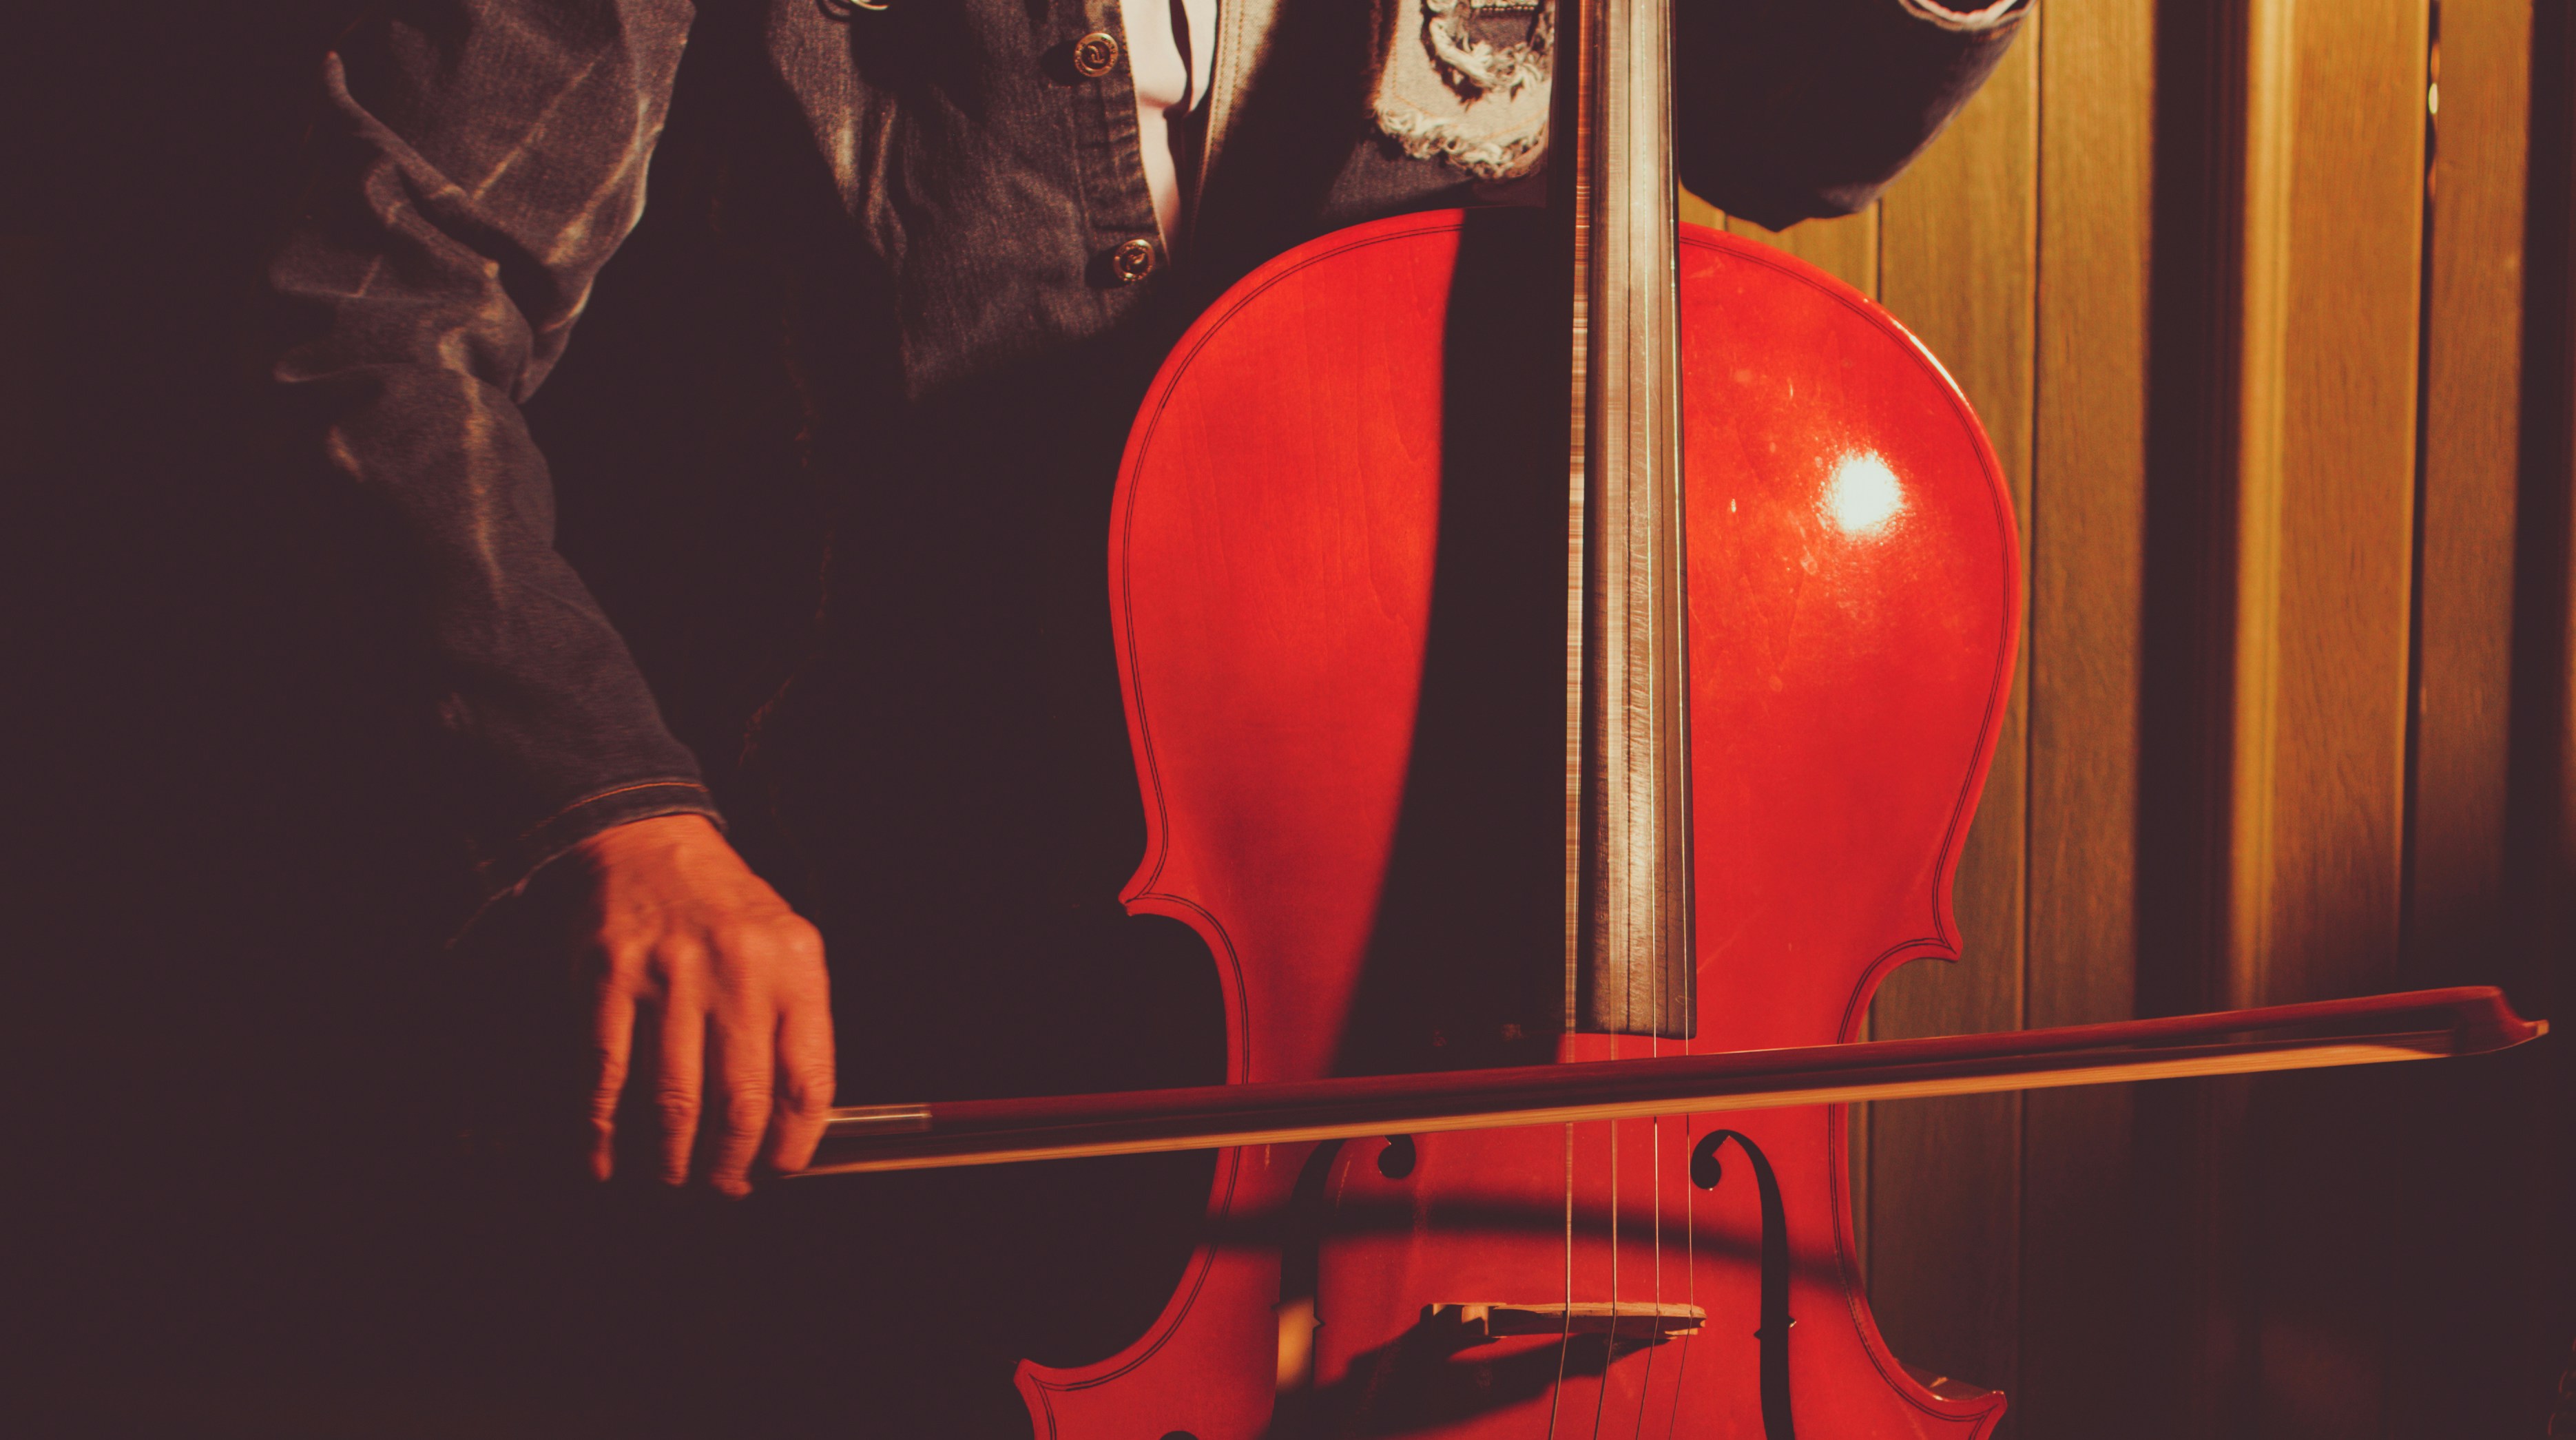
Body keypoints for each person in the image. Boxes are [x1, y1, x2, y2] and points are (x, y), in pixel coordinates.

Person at [262, 1, 2029, 1430]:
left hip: (1416, 977)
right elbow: (381, 310)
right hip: (890, 948)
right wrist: (605, 805)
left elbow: (1783, 123)